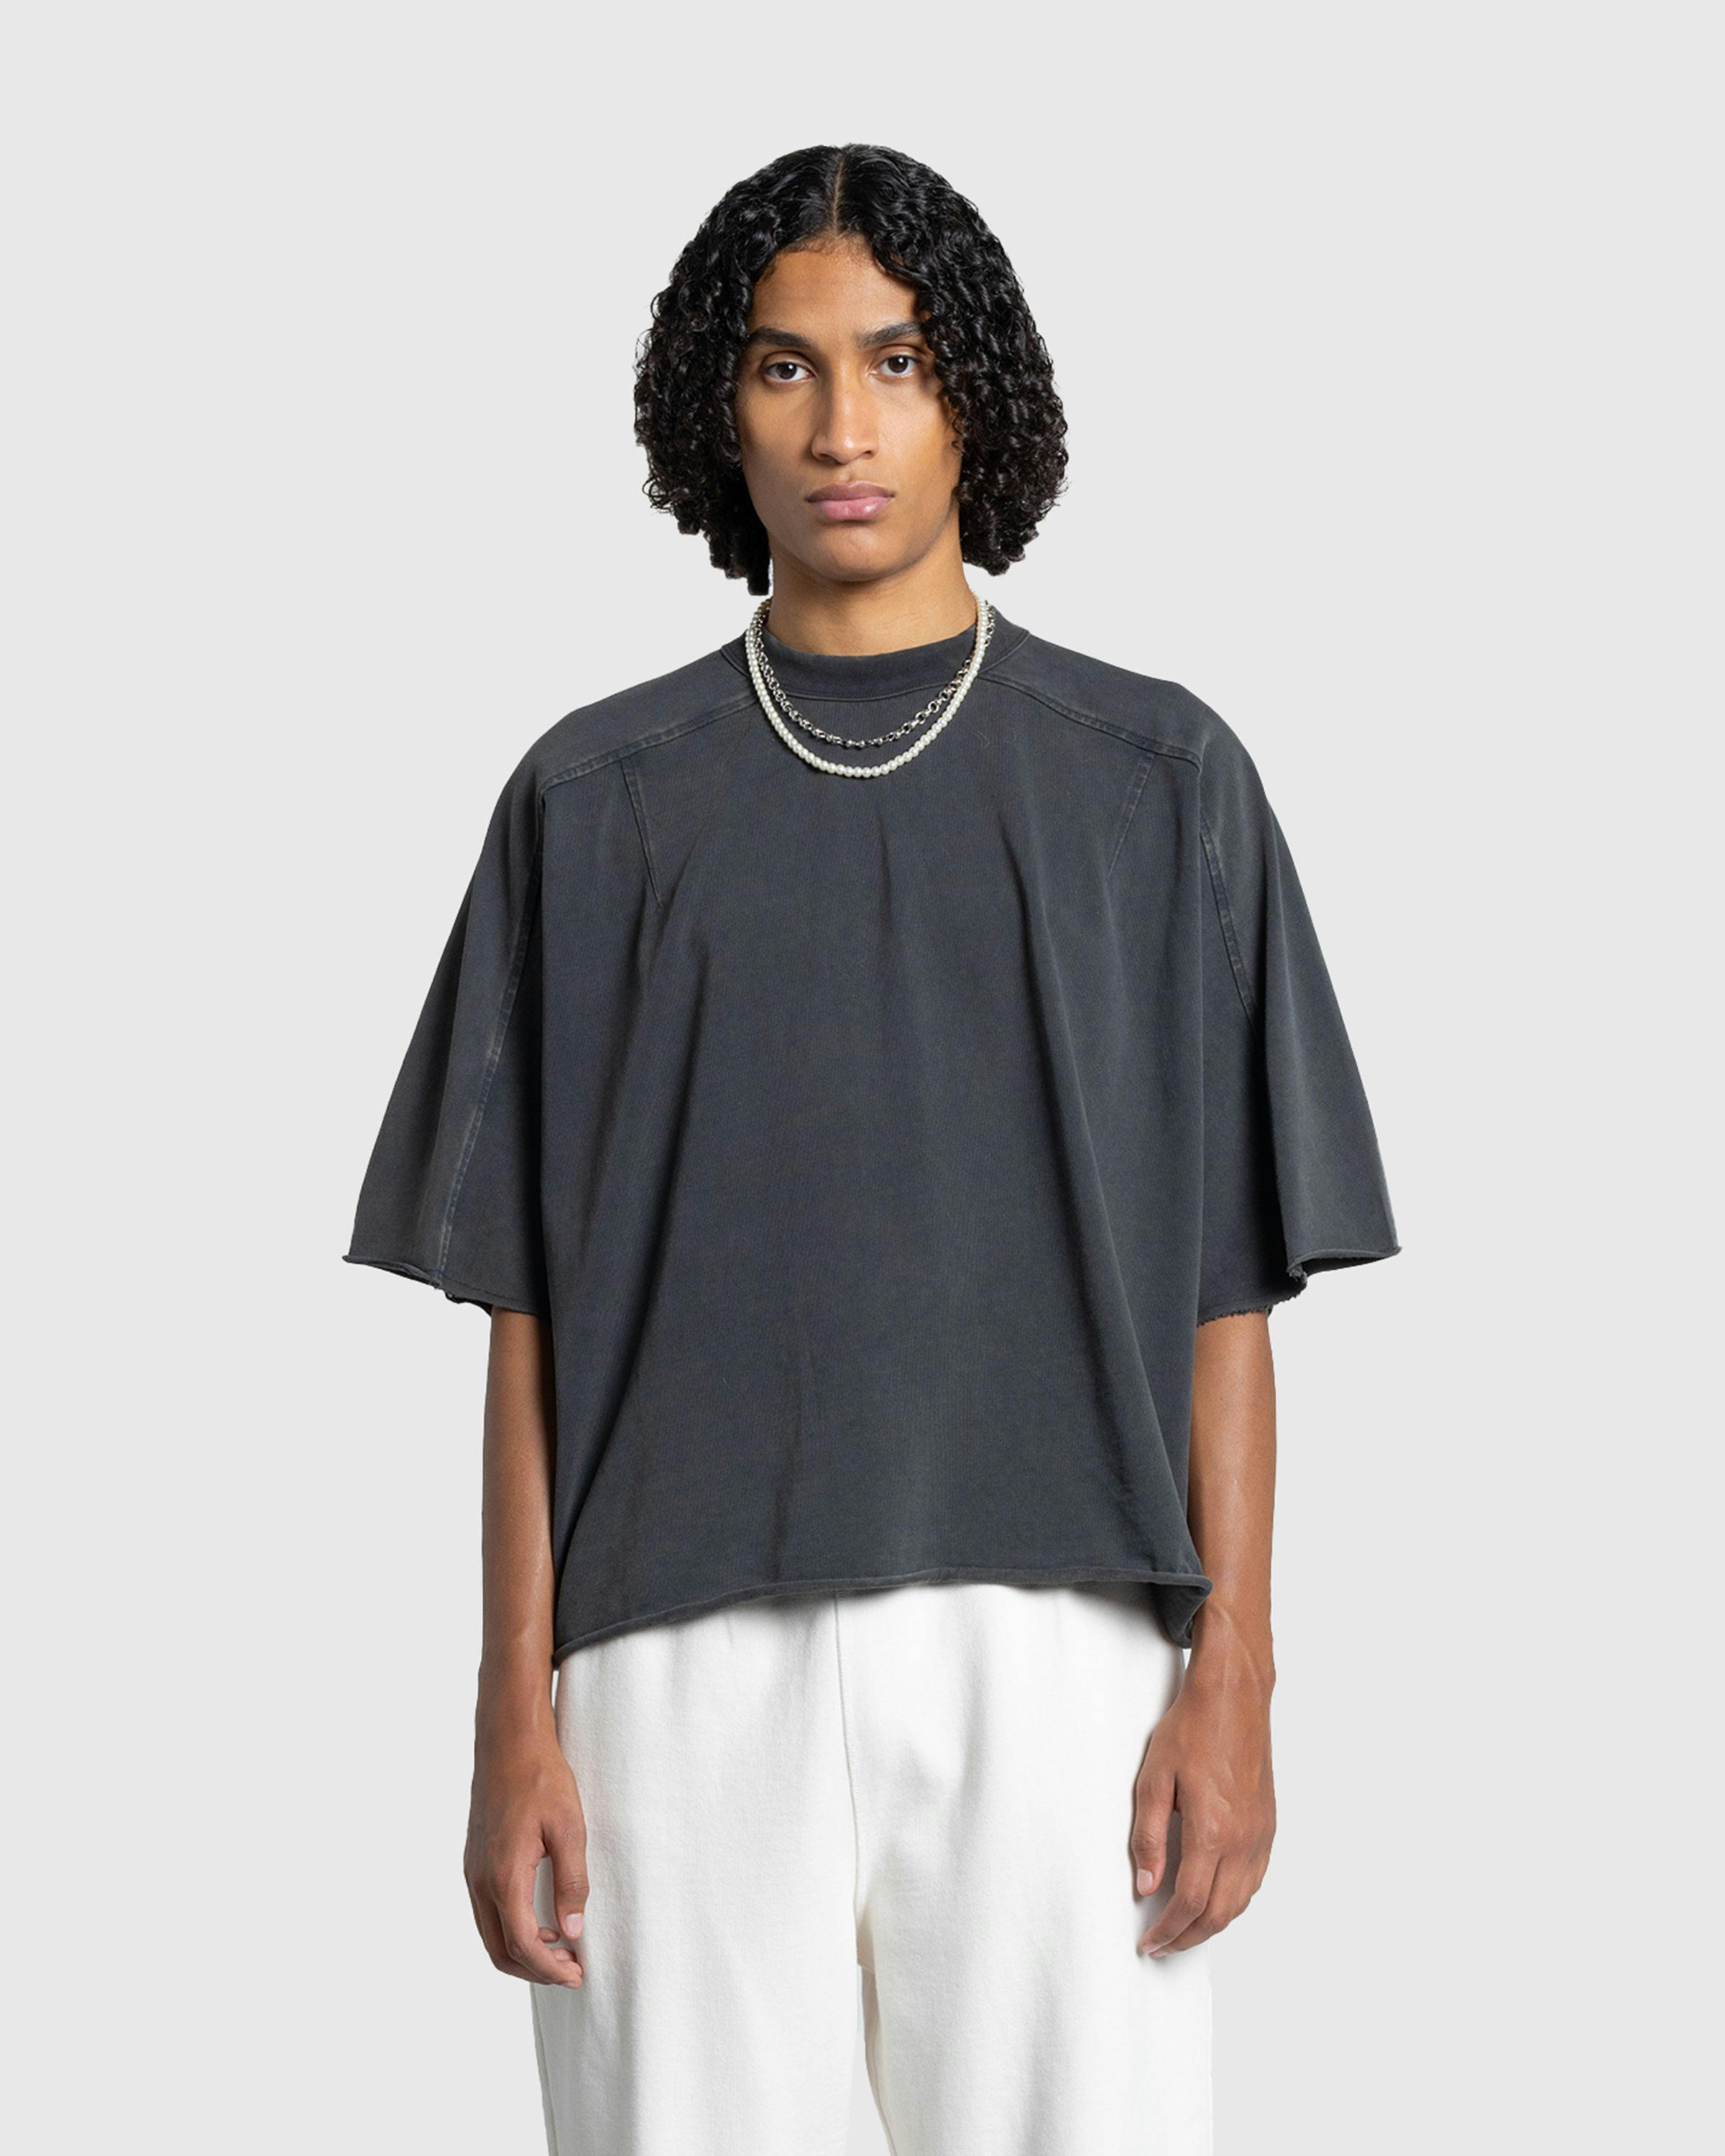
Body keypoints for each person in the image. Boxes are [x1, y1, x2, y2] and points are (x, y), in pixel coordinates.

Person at [343, 141, 1400, 2156]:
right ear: (714, 407)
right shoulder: (592, 799)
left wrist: (1237, 1680)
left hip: (1064, 1652)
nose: (844, 427)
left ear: (974, 392)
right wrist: (510, 1714)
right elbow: (526, 1316)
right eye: (786, 366)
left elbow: (1229, 1287)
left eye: (899, 361)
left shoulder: (1159, 779)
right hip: (666, 1671)